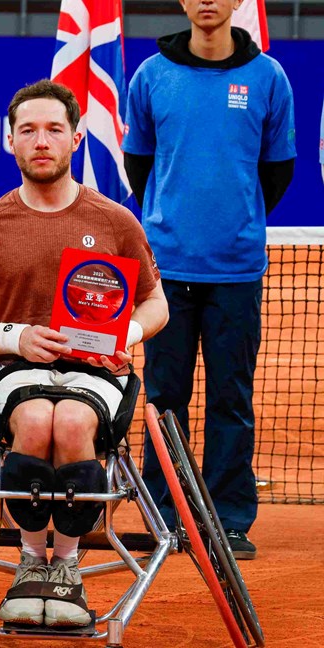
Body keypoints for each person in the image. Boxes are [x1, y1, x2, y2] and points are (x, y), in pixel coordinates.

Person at [0, 79, 167, 628]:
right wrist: (13, 338)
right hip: (16, 371)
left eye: (54, 130)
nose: (42, 141)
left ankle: (63, 565)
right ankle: (29, 560)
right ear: (11, 142)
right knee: (39, 417)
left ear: (76, 139)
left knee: (71, 421)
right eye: (29, 131)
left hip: (98, 372)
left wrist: (124, 335)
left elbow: (156, 303)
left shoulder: (115, 220)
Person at [123, 0, 296, 561]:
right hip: (164, 271)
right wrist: (173, 221)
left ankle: (227, 520)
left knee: (231, 399)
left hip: (237, 272)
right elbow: (139, 164)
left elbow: (277, 171)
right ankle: (165, 515)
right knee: (164, 398)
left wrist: (236, 221)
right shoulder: (151, 76)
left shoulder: (269, 77)